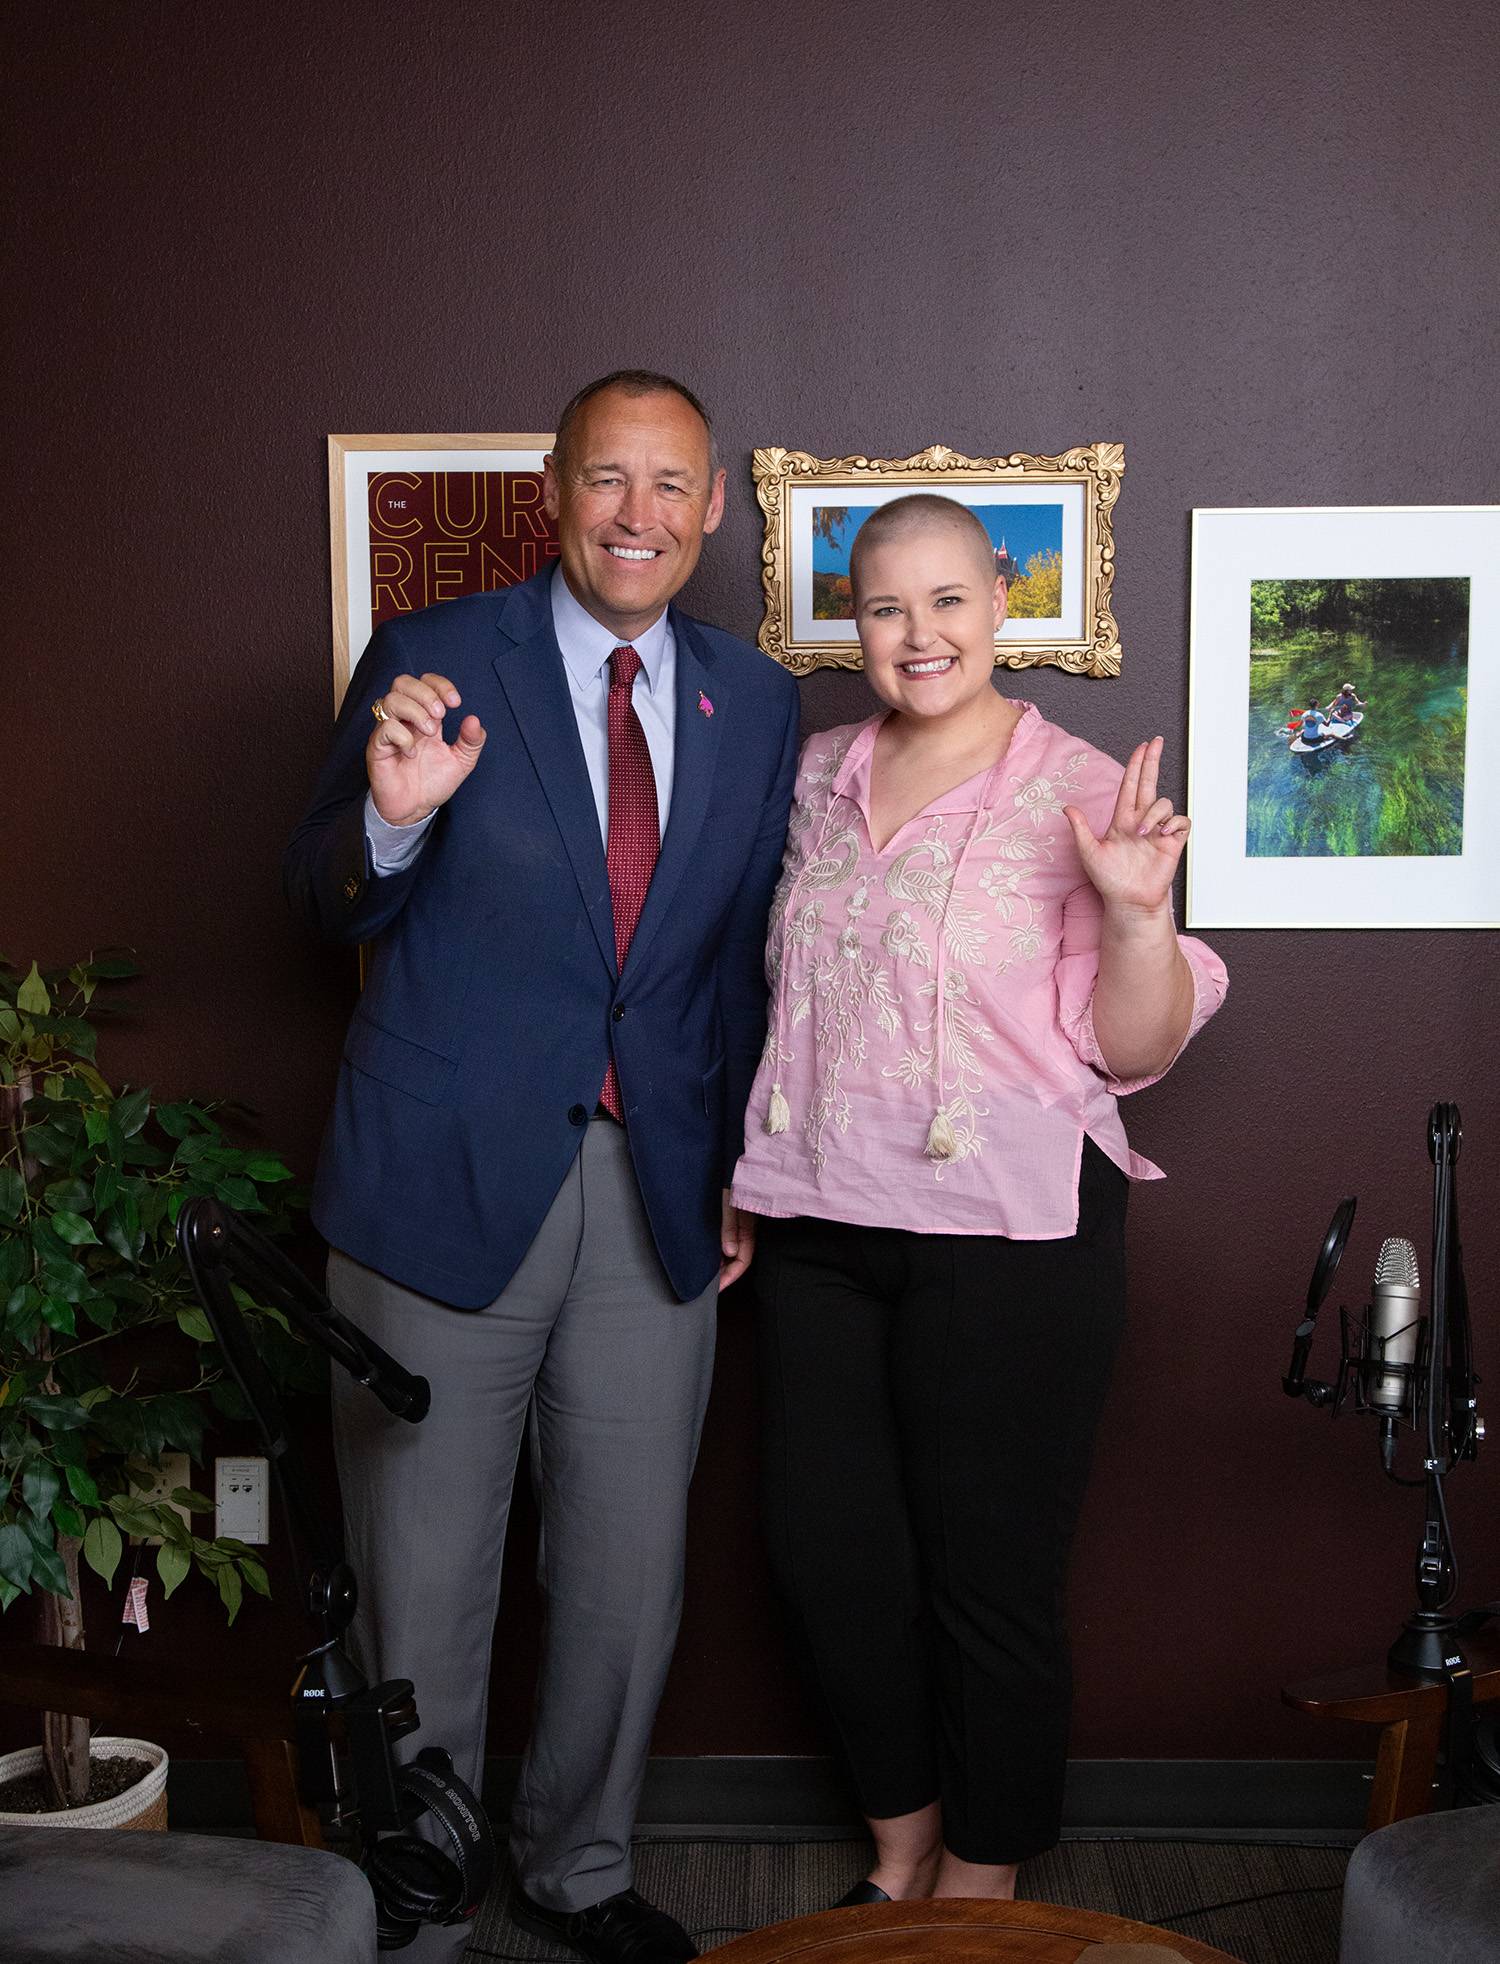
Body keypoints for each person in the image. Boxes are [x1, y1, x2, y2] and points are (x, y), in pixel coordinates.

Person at [285, 371, 799, 1964]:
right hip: (439, 1191)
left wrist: (730, 1167)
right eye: (605, 481)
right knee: (421, 1575)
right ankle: (418, 1896)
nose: (636, 516)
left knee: (628, 1568)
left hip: (649, 1195)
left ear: (714, 508)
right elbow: (320, 897)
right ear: (555, 495)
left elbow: (722, 973)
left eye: (670, 486)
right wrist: (388, 823)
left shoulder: (754, 699)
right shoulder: (437, 657)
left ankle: (578, 1871)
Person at [731, 495, 1227, 1907]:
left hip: (1015, 1230)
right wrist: (744, 1177)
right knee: (828, 1556)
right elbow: (786, 1000)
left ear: (999, 605)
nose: (918, 633)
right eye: (887, 608)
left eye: (947, 601)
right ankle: (900, 1848)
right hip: (824, 1219)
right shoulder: (816, 773)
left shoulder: (1076, 786)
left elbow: (1132, 1051)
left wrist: (1137, 915)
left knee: (986, 1576)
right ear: (856, 622)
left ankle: (985, 1879)